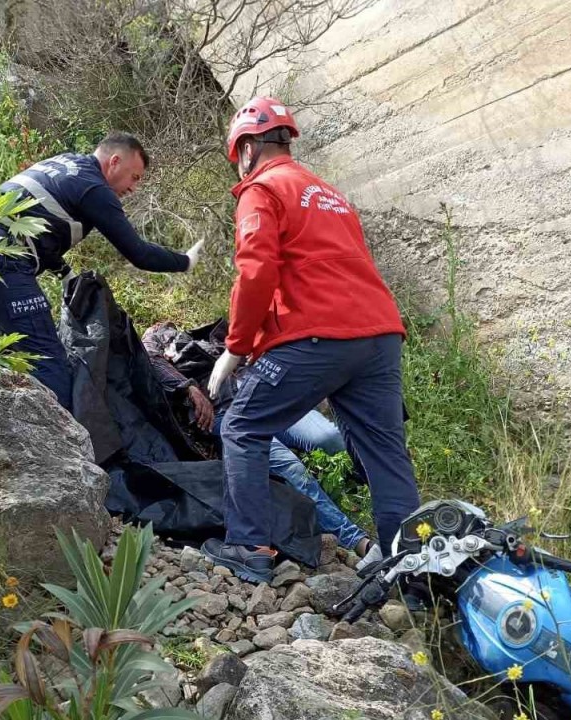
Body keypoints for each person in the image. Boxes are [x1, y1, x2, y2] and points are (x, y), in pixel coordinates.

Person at [199, 96, 420, 584]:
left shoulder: (261, 190)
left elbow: (256, 271)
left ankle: (250, 547)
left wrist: (236, 348)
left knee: (242, 427)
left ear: (249, 147)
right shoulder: (330, 194)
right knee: (386, 453)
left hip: (318, 334)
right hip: (379, 333)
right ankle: (412, 569)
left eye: (239, 154)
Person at [0, 134, 204, 413]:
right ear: (114, 161)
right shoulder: (94, 188)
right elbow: (138, 253)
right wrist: (185, 261)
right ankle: (65, 450)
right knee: (48, 362)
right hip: (2, 263)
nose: (134, 188)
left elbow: (38, 224)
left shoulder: (65, 163)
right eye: (135, 177)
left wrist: (64, 272)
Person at [142, 321, 374, 557]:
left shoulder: (217, 338)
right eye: (161, 327)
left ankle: (372, 500)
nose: (167, 326)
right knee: (292, 469)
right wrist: (188, 387)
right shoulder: (159, 341)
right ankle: (358, 541)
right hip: (229, 413)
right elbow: (151, 356)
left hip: (271, 399)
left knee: (330, 437)